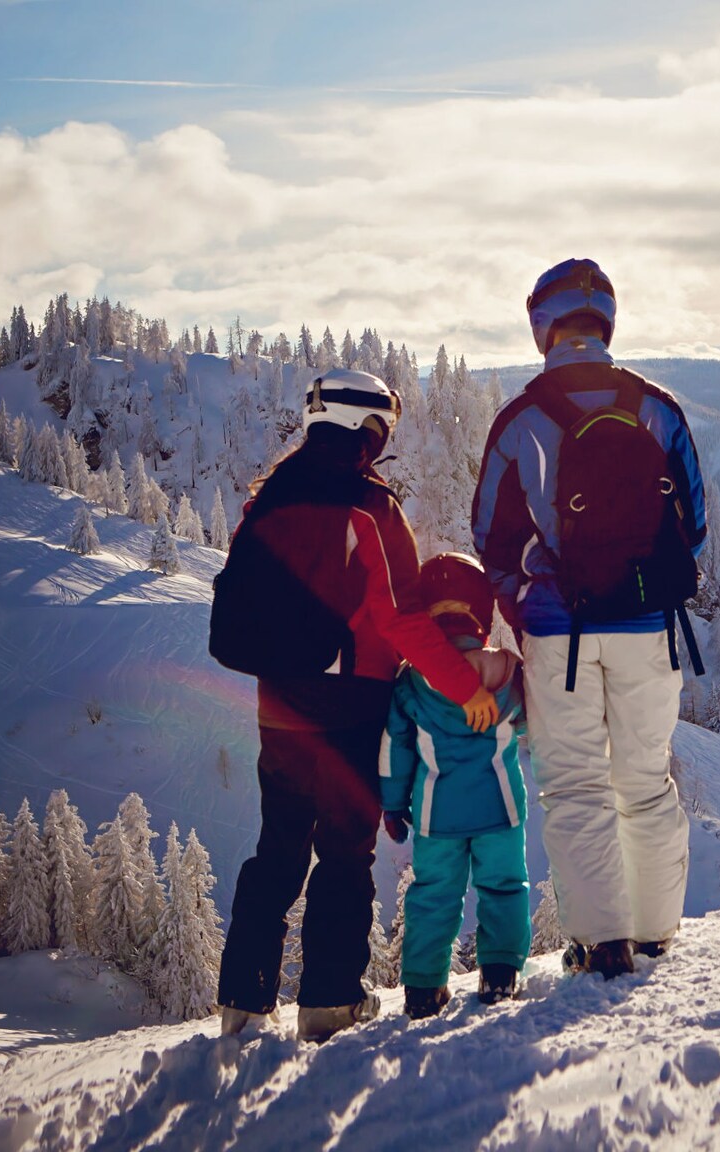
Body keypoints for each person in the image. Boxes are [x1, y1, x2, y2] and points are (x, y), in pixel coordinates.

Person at [212, 369, 499, 1043]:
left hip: (280, 697)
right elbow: (400, 617)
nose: (380, 442)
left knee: (277, 844)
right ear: (358, 427)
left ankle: (244, 1001)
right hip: (351, 699)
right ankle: (329, 1002)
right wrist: (465, 685)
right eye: (379, 430)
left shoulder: (269, 497)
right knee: (344, 848)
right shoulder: (369, 505)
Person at [472, 258, 707, 978]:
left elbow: (490, 535)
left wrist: (523, 602)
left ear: (543, 326)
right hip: (648, 628)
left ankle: (602, 944)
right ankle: (657, 932)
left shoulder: (521, 419)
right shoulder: (658, 408)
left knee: (574, 784)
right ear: (605, 319)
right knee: (644, 779)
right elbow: (693, 526)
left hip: (559, 627)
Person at [381, 553, 531, 1018]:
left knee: (432, 894)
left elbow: (395, 748)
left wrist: (392, 804)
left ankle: (424, 988)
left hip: (435, 814)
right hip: (500, 810)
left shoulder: (411, 682)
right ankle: (501, 974)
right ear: (481, 612)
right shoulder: (507, 670)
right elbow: (528, 723)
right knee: (504, 886)